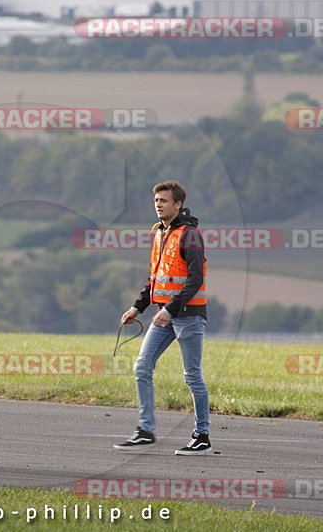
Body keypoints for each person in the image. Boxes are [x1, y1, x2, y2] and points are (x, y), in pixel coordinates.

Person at [113, 180, 211, 455]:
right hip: (163, 316)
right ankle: (145, 430)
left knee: (192, 376)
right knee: (142, 367)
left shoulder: (189, 235)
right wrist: (137, 307)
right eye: (156, 200)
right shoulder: (158, 233)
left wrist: (169, 310)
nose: (158, 205)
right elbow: (155, 278)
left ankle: (202, 436)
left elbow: (195, 279)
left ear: (178, 204)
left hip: (188, 316)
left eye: (164, 201)